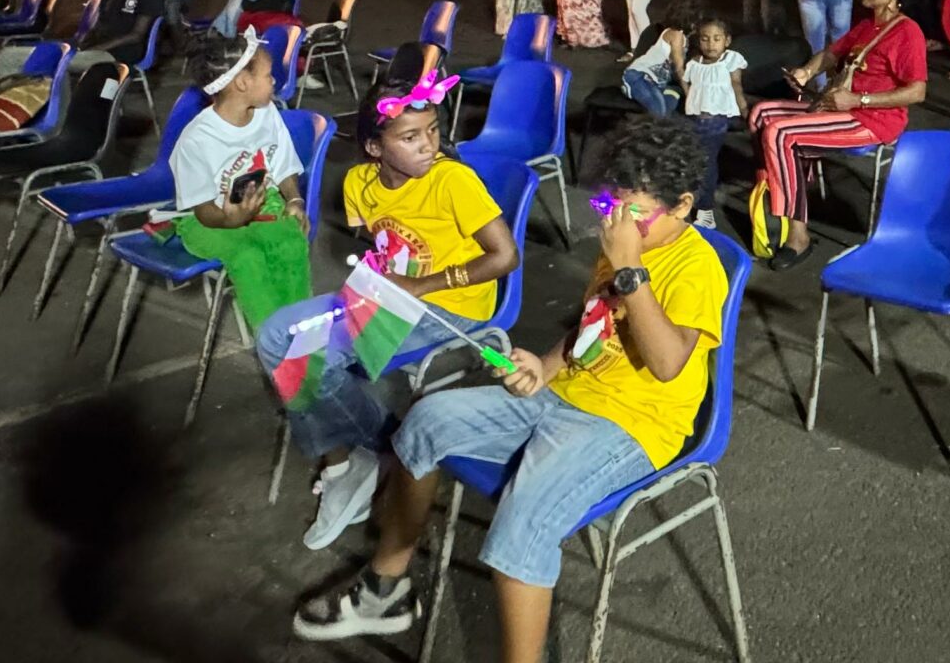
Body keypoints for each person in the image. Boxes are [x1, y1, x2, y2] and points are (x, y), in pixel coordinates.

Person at [292, 116, 727, 653]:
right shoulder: (624, 239)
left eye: (633, 211)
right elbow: (590, 327)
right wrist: (545, 366)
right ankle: (386, 590)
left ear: (682, 206)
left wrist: (631, 269)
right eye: (608, 207)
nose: (615, 223)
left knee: (518, 534)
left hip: (632, 425)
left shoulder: (694, 266)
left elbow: (666, 364)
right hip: (566, 394)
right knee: (425, 422)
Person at [253, 75, 520, 549]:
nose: (429, 145)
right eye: (411, 137)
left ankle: (373, 452)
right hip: (383, 299)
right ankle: (360, 456)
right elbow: (381, 245)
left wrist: (420, 284)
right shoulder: (359, 183)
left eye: (433, 131)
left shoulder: (452, 180)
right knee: (276, 336)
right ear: (375, 148)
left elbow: (504, 258)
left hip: (448, 307)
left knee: (309, 360)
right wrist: (376, 280)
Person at [746, 0, 925, 269]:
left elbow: (917, 92)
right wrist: (805, 71)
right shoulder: (868, 25)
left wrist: (858, 100)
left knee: (780, 133)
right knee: (761, 114)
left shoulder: (908, 33)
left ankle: (797, 236)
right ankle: (780, 192)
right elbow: (831, 54)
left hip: (872, 120)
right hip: (840, 107)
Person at [161, 34, 310, 328]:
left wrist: (293, 199)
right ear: (242, 83)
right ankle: (275, 344)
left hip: (260, 202)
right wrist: (233, 219)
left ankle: (303, 334)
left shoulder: (268, 114)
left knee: (291, 243)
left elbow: (283, 165)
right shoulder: (196, 140)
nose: (275, 82)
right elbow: (204, 211)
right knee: (247, 257)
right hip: (209, 219)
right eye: (268, 76)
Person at [620, 0, 703, 116]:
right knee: (659, 112)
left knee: (670, 106)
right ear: (690, 20)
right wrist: (690, 95)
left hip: (657, 83)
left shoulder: (684, 39)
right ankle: (630, 88)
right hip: (640, 77)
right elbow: (679, 69)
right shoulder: (675, 35)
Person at [679, 17, 748, 144]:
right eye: (705, 39)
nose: (711, 44)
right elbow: (687, 84)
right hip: (696, 117)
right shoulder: (694, 63)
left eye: (717, 39)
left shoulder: (730, 59)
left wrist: (744, 110)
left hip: (720, 116)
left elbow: (736, 85)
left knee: (709, 152)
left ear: (727, 41)